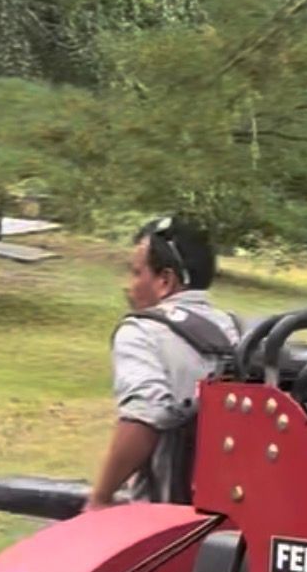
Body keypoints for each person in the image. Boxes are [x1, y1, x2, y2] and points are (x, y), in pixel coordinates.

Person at [87, 216, 240, 509]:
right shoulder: (238, 329)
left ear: (165, 281)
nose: (129, 285)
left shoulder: (142, 331)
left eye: (136, 273)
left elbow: (146, 415)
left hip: (169, 512)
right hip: (234, 511)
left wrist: (100, 497)